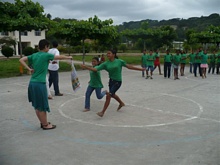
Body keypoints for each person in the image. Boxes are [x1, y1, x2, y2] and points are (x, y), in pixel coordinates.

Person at [19, 39, 72, 130]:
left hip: (32, 83)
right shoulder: (46, 55)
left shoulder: (34, 55)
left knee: (37, 105)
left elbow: (21, 59)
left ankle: (43, 122)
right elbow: (58, 57)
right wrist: (68, 57)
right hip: (40, 84)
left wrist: (29, 68)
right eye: (48, 46)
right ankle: (45, 125)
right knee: (42, 105)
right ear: (46, 47)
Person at [81, 49, 144, 117]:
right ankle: (121, 103)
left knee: (109, 96)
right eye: (107, 53)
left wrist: (140, 69)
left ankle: (102, 112)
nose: (107, 55)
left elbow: (129, 67)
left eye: (109, 53)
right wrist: (86, 67)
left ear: (113, 54)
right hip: (111, 81)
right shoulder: (105, 63)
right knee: (112, 94)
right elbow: (96, 69)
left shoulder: (119, 61)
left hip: (117, 82)